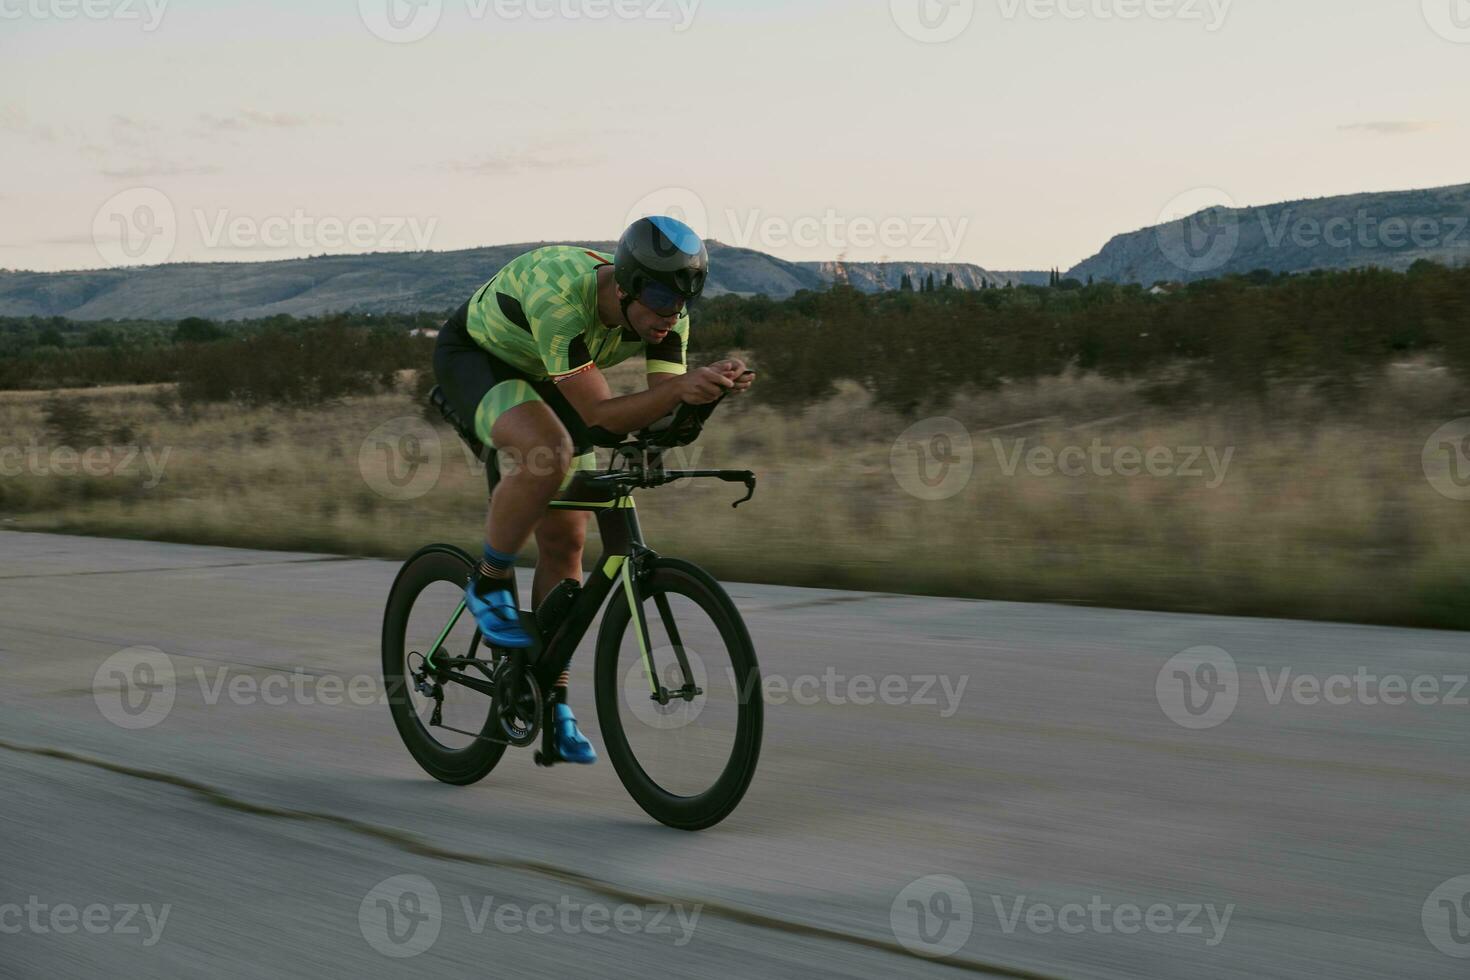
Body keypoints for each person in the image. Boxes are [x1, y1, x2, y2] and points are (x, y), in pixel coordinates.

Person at [432, 216, 756, 764]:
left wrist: (705, 395)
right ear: (625, 284)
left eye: (681, 303)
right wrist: (679, 387)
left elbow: (656, 416)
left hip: (553, 375)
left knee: (566, 544)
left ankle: (552, 705)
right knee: (549, 453)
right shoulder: (564, 297)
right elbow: (603, 419)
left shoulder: (667, 317)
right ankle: (488, 583)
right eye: (657, 299)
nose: (668, 316)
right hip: (481, 358)